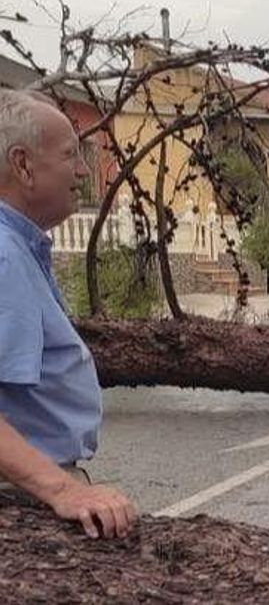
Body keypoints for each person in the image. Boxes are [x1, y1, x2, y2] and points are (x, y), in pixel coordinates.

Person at [0, 90, 137, 538]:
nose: (83, 170)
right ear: (22, 165)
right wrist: (62, 490)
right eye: (70, 156)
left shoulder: (19, 247)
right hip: (23, 494)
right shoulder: (4, 257)